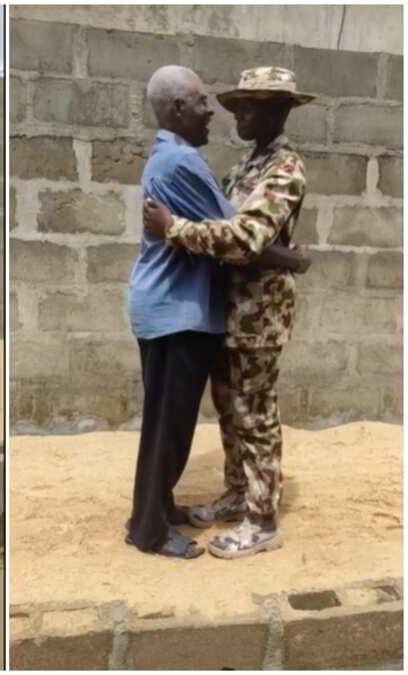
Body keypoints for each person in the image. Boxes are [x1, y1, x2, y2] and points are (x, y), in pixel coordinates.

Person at [125, 65, 307, 559]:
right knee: (231, 412)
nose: (235, 114)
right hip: (229, 310)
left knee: (256, 415)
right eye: (234, 105)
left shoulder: (284, 170)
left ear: (277, 111)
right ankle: (237, 493)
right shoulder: (245, 168)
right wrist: (291, 256)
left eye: (248, 106)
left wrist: (173, 228)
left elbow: (245, 237)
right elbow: (229, 225)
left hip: (260, 314)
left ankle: (262, 517)